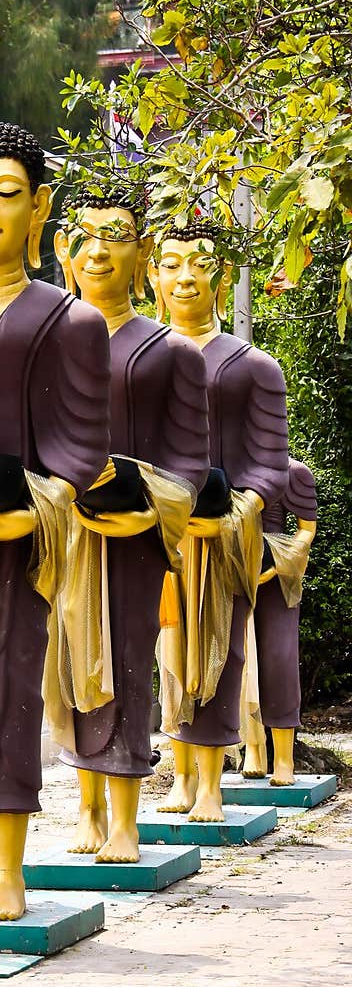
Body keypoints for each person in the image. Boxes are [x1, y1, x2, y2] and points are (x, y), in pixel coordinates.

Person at [0, 122, 110, 918]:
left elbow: (81, 451)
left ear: (39, 208)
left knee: (5, 690)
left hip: (16, 537)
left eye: (6, 195)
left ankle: (9, 867)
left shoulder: (65, 322)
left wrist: (35, 506)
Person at [54, 185, 210, 861]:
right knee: (63, 665)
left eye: (114, 235)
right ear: (65, 247)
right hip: (59, 530)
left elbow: (190, 458)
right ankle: (83, 805)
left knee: (123, 661)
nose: (98, 251)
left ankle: (124, 815)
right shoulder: (45, 338)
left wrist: (149, 506)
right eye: (85, 235)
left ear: (141, 251)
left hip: (135, 533)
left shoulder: (170, 351)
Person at [151, 223, 288, 820]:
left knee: (221, 652)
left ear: (222, 276)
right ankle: (177, 769)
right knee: (165, 652)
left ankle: (211, 780)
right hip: (155, 530)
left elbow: (270, 460)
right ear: (152, 274)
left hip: (225, 533)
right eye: (172, 263)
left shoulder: (252, 366)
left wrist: (243, 510)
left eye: (200, 264)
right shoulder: (136, 355)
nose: (186, 276)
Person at [242, 459, 317, 785]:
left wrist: (276, 563)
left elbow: (306, 529)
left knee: (279, 658)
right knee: (240, 660)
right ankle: (252, 747)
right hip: (233, 571)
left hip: (279, 577)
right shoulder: (226, 466)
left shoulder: (294, 472)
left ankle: (284, 758)